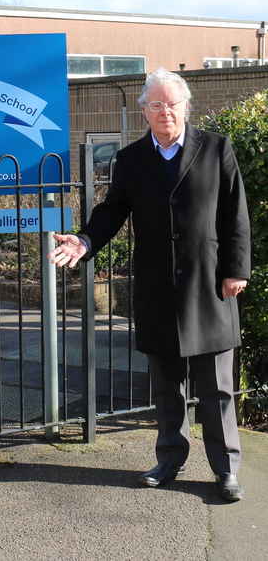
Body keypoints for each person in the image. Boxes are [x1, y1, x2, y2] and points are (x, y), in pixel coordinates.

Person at [49, 68, 250, 502]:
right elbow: (112, 210)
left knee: (216, 388)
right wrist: (84, 240)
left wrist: (238, 269)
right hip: (158, 288)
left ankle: (225, 468)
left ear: (186, 106)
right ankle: (170, 458)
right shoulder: (132, 159)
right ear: (144, 111)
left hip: (210, 286)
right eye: (156, 104)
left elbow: (236, 214)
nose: (165, 112)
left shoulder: (216, 149)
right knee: (166, 384)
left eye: (172, 104)